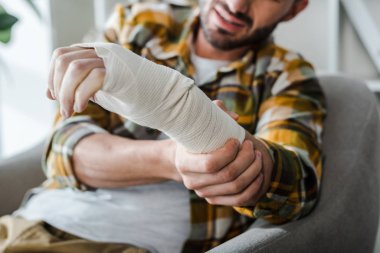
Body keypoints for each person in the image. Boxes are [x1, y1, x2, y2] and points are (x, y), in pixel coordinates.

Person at [0, 0, 326, 252]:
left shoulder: (288, 75)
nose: (237, 4)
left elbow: (297, 189)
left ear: (295, 8)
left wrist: (248, 168)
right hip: (26, 222)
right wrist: (172, 159)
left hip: (124, 245)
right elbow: (62, 149)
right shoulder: (139, 21)